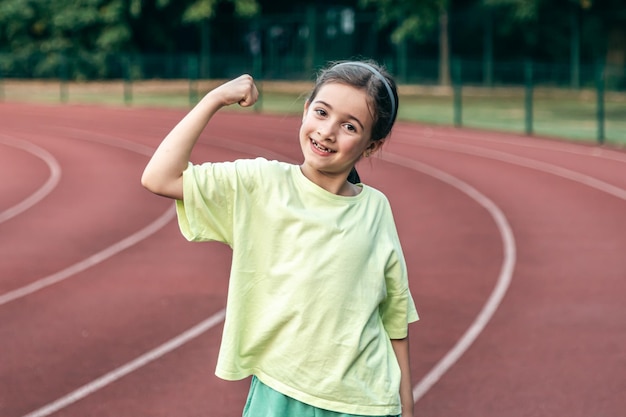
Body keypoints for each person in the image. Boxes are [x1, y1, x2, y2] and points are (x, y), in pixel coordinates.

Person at [141, 60, 419, 417]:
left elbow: (394, 315)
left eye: (350, 126)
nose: (327, 131)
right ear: (306, 111)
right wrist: (215, 98)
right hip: (280, 395)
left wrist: (406, 404)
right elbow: (159, 178)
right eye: (321, 112)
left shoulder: (376, 209)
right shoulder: (260, 183)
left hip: (364, 402)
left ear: (370, 145)